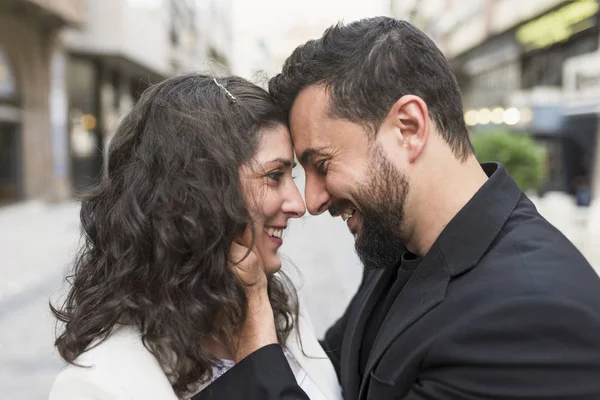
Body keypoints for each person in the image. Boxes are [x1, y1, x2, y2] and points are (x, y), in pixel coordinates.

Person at [196, 17, 600, 400]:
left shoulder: (533, 315)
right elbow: (334, 371)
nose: (312, 201)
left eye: (321, 165)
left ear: (408, 127)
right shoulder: (396, 242)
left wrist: (256, 333)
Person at [49, 73, 342, 400]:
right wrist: (256, 334)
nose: (298, 204)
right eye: (274, 176)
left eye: (292, 175)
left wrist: (258, 313)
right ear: (200, 194)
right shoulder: (101, 384)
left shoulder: (283, 311)